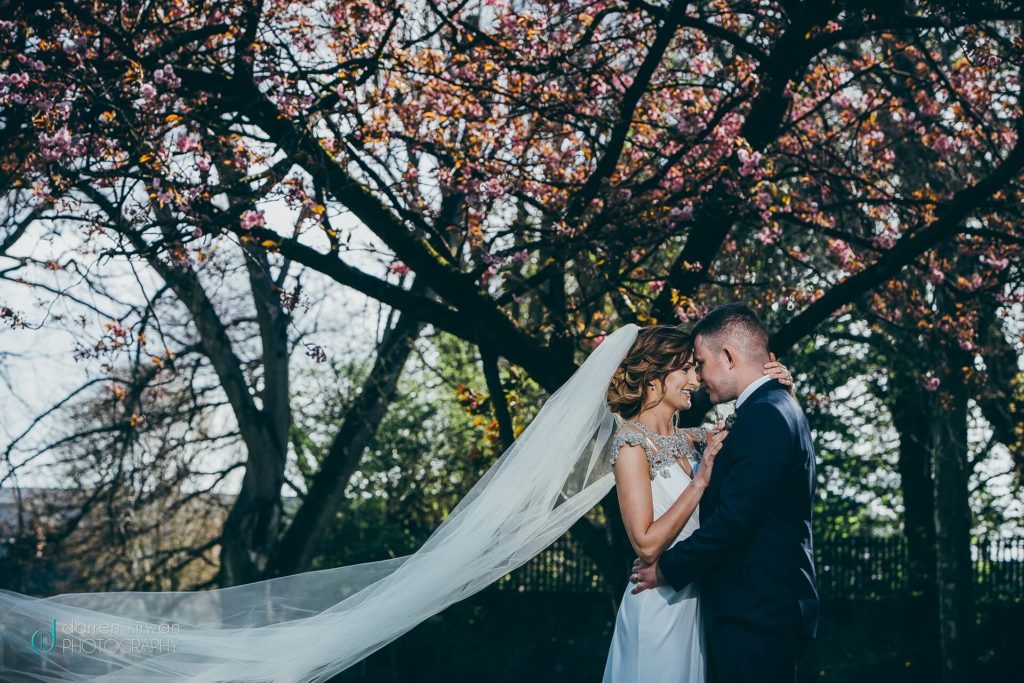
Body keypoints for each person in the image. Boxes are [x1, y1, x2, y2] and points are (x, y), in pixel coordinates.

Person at [630, 305, 819, 683]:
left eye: (698, 364)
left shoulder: (766, 414)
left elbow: (735, 521)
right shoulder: (770, 408)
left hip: (756, 612)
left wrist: (665, 569)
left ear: (729, 357)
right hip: (748, 609)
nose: (698, 378)